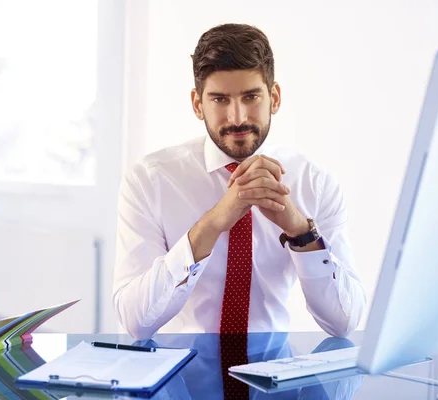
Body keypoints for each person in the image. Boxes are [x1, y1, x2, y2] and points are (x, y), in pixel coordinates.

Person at [112, 23, 366, 341]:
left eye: (251, 97)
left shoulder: (313, 184)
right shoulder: (150, 181)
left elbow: (345, 322)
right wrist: (212, 224)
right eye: (219, 100)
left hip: (273, 381)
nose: (237, 118)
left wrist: (301, 232)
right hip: (180, 379)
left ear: (274, 97)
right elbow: (135, 322)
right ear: (197, 104)